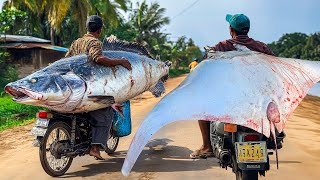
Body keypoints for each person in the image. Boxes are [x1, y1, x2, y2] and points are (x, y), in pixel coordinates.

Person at [190, 14, 275, 159]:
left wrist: (195, 64)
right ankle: (274, 137)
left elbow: (205, 60)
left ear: (231, 29)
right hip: (256, 99)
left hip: (229, 97)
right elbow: (275, 67)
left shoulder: (223, 46)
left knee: (201, 108)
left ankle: (207, 147)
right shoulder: (262, 47)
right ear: (247, 29)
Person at [66, 15, 132, 160]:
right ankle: (95, 147)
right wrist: (120, 62)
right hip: (90, 86)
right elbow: (99, 59)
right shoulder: (94, 42)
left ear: (87, 27)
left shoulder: (76, 42)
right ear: (100, 29)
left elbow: (67, 59)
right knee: (106, 111)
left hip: (75, 86)